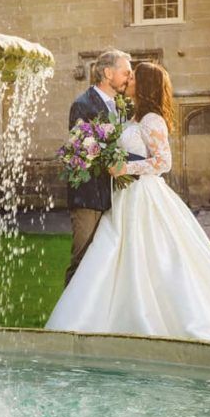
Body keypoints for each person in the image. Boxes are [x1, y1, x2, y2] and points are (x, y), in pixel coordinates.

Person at [47, 61, 210, 352]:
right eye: (127, 74)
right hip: (123, 197)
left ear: (144, 85)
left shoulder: (152, 120)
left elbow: (163, 162)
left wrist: (125, 168)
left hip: (142, 195)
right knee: (111, 251)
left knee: (148, 256)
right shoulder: (133, 116)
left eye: (133, 77)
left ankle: (143, 316)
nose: (128, 79)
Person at [64, 48, 132, 287]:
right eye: (126, 73)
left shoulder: (122, 105)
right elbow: (81, 153)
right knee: (82, 259)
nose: (129, 79)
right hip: (89, 197)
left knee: (107, 261)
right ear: (107, 73)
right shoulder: (82, 105)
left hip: (116, 197)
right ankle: (68, 319)